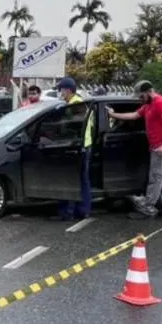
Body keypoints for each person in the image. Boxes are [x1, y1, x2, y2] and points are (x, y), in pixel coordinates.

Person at [106, 80, 162, 219]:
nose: (139, 99)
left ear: (149, 92)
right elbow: (134, 115)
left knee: (156, 177)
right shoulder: (148, 105)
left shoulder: (160, 102)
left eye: (141, 96)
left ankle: (148, 208)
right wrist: (113, 115)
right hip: (158, 147)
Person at [55, 76, 94, 221]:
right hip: (82, 146)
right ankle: (80, 210)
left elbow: (72, 127)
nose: (60, 93)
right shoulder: (77, 103)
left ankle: (73, 212)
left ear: (68, 90)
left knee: (76, 180)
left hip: (79, 147)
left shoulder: (76, 104)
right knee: (80, 179)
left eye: (62, 90)